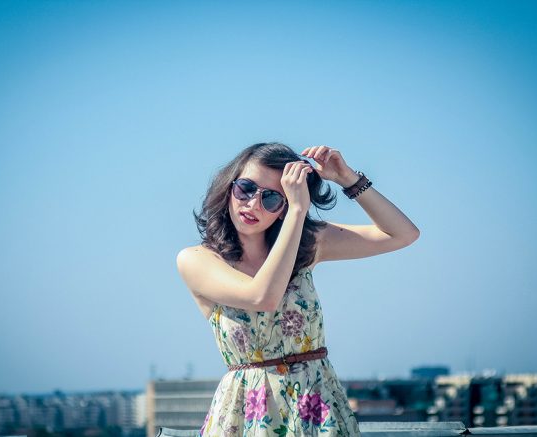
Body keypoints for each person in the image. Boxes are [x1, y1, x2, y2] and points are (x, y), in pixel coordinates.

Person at [176, 142, 420, 436]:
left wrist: (348, 179)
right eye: (245, 188)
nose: (252, 204)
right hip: (247, 416)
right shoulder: (197, 259)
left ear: (282, 209)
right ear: (229, 187)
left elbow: (403, 234)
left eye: (271, 199)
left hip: (317, 407)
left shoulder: (307, 243)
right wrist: (296, 210)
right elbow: (262, 296)